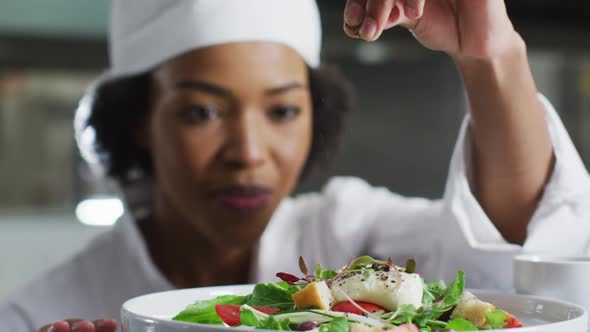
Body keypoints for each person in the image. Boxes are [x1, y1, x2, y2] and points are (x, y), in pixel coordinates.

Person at [1, 0, 590, 331]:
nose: (250, 152)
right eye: (203, 111)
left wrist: (489, 54)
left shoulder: (351, 227)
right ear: (138, 120)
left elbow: (520, 250)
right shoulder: (38, 313)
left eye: (282, 109)